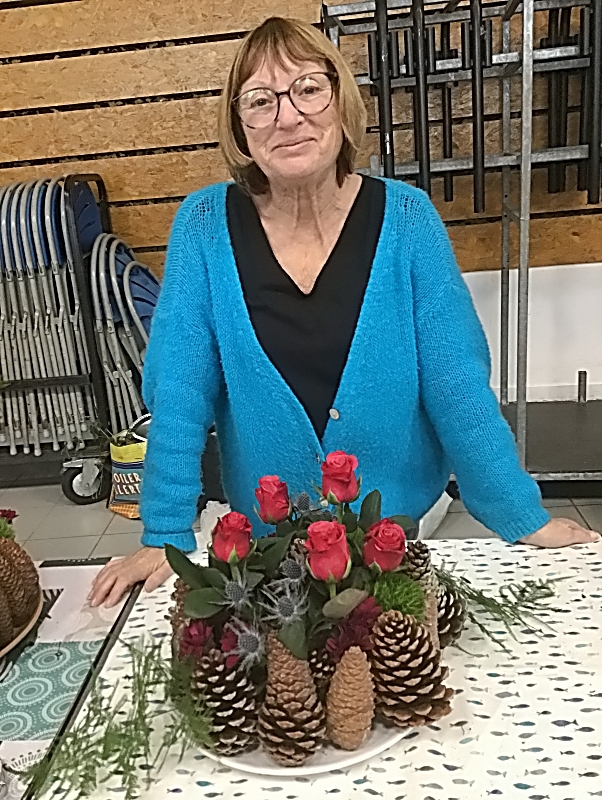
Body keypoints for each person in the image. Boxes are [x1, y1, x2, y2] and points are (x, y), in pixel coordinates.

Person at [89, 17, 599, 608]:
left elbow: (457, 385)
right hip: (267, 542)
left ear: (340, 101)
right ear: (240, 126)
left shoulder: (407, 220)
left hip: (394, 533)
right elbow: (179, 395)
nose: (287, 116)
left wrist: (521, 514)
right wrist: (164, 533)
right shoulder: (203, 227)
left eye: (307, 89)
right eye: (259, 101)